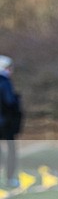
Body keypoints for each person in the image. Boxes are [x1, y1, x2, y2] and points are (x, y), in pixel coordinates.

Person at [0, 55, 22, 189]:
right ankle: (10, 178)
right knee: (11, 150)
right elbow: (10, 102)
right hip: (5, 123)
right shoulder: (5, 82)